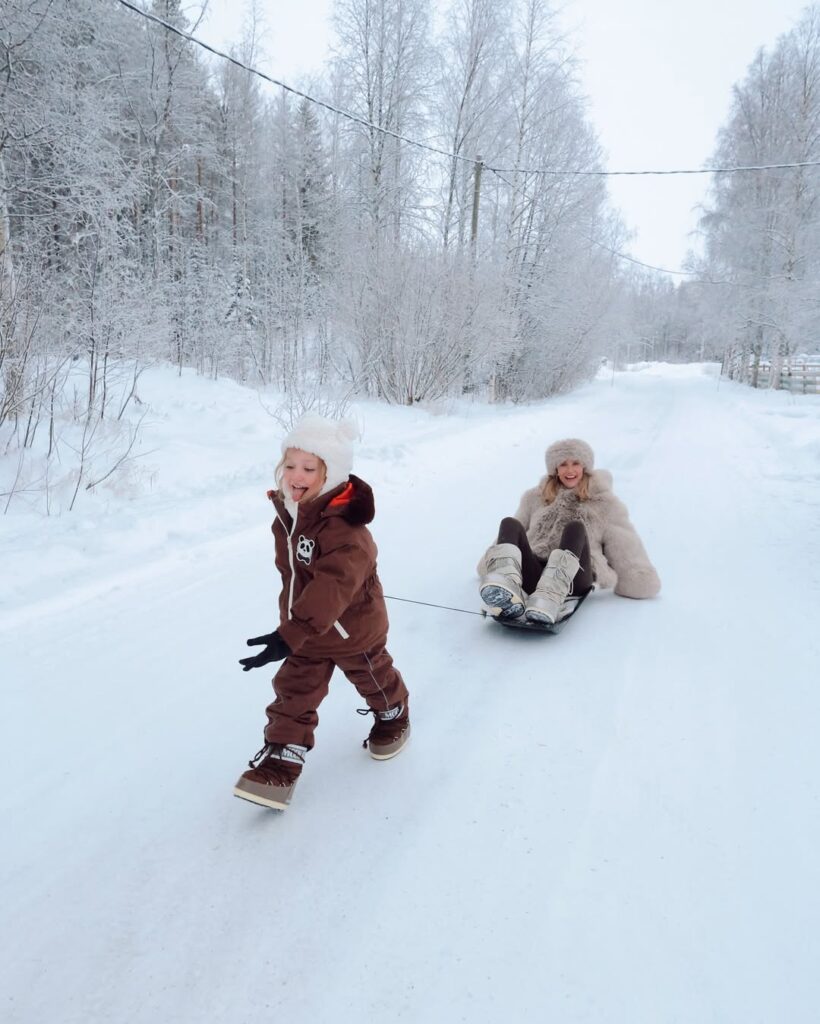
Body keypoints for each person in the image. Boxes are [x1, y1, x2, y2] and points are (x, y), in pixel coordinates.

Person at [234, 414, 410, 810]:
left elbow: (333, 584)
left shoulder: (344, 530)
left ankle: (394, 713)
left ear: (331, 474)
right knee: (294, 691)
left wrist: (291, 630)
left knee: (373, 679)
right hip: (306, 629)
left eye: (309, 468)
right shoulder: (293, 515)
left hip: (353, 631)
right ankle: (281, 761)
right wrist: (294, 627)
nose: (297, 475)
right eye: (291, 464)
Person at [477, 438, 660, 624]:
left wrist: (637, 577)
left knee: (575, 528)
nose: (570, 470)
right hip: (535, 574)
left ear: (585, 467)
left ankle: (551, 597)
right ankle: (507, 587)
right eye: (563, 464)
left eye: (576, 463)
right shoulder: (534, 497)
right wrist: (490, 565)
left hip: (574, 580)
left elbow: (625, 543)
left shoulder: (604, 503)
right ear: (555, 469)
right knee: (509, 523)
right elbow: (513, 534)